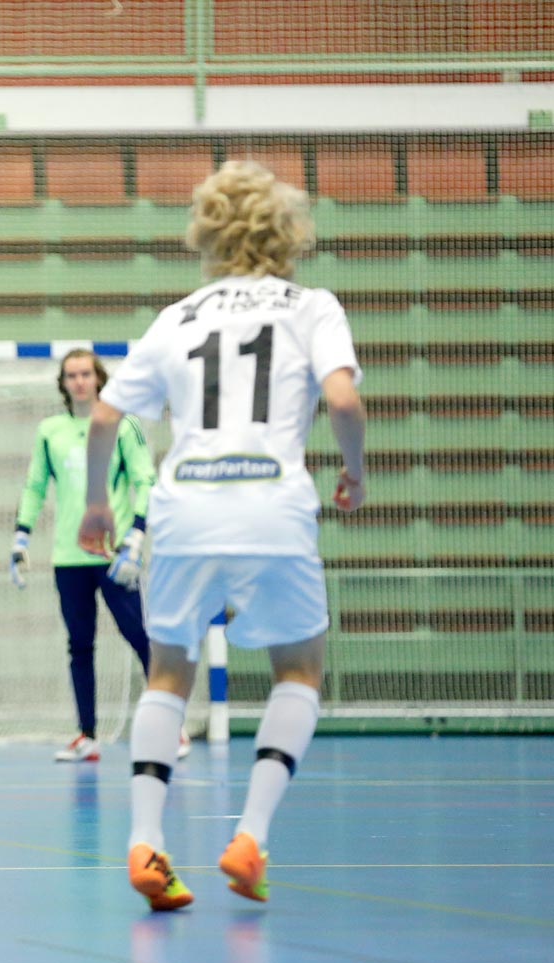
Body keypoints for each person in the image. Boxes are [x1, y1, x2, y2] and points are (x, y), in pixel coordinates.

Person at [77, 160, 367, 911]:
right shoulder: (312, 307)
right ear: (288, 230)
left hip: (186, 507)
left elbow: (107, 416)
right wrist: (356, 472)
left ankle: (146, 845)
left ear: (206, 231)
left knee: (166, 673)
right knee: (299, 670)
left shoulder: (179, 316)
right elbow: (342, 397)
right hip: (271, 503)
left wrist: (97, 507)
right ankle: (250, 838)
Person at [9, 349, 191, 763]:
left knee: (140, 638)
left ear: (98, 378)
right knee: (79, 645)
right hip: (68, 558)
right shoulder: (50, 430)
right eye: (71, 374)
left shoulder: (122, 425)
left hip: (115, 555)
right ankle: (87, 735)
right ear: (63, 382)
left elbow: (145, 479)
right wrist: (21, 536)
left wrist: (136, 539)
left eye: (85, 373)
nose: (78, 381)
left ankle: (173, 728)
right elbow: (35, 486)